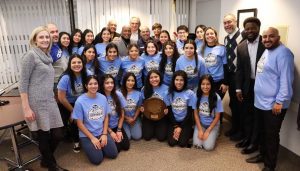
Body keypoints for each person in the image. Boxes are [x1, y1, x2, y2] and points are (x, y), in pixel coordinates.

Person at [19, 26, 67, 171]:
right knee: (43, 135)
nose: (45, 40)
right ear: (35, 40)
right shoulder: (30, 56)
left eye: (47, 37)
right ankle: (52, 165)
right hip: (36, 102)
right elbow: (23, 83)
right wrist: (26, 108)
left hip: (49, 100)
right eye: (41, 37)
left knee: (58, 133)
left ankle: (46, 159)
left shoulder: (47, 56)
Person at [247, 27, 294, 171]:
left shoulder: (284, 54)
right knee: (261, 131)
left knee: (271, 135)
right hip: (260, 102)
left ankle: (270, 165)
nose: (267, 39)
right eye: (264, 36)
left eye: (271, 36)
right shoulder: (267, 51)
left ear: (278, 37)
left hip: (273, 104)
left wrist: (279, 101)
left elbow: (287, 80)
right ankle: (262, 154)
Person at [72, 75, 118, 165]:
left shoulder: (102, 98)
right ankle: (89, 146)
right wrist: (92, 138)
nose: (93, 86)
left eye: (95, 83)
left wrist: (104, 134)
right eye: (90, 84)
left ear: (98, 85)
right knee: (97, 160)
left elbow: (106, 117)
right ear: (86, 86)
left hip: (101, 131)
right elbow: (79, 123)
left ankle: (100, 145)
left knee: (113, 154)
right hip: (87, 134)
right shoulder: (80, 101)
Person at [235, 17, 265, 154]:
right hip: (247, 86)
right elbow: (239, 69)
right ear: (244, 30)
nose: (250, 31)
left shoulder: (266, 44)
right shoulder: (241, 46)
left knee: (257, 115)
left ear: (258, 28)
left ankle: (254, 143)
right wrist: (238, 88)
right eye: (247, 29)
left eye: (253, 28)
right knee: (246, 114)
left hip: (262, 86)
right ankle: (247, 138)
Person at [57, 54, 87, 153]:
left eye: (79, 62)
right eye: (74, 62)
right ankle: (76, 141)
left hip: (82, 102)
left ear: (83, 64)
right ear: (70, 64)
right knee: (74, 120)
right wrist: (73, 111)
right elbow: (61, 98)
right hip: (67, 104)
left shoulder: (87, 74)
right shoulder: (65, 78)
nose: (77, 64)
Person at [222, 13, 243, 140]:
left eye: (229, 22)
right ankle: (235, 128)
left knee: (240, 105)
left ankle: (241, 131)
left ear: (236, 21)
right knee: (233, 104)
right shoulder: (226, 38)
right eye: (225, 23)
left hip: (240, 75)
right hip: (230, 75)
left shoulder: (243, 35)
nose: (227, 25)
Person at [99, 74, 130, 152]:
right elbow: (100, 119)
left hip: (116, 125)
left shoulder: (118, 94)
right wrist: (111, 132)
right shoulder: (99, 97)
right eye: (107, 83)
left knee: (126, 146)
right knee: (117, 149)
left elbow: (122, 114)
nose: (110, 85)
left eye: (112, 82)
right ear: (102, 84)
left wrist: (119, 130)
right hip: (105, 128)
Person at [165, 70, 196, 147]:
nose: (179, 82)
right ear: (173, 80)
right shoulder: (168, 93)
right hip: (173, 121)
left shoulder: (190, 93)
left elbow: (189, 113)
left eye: (181, 80)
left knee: (182, 144)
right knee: (172, 143)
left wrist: (181, 127)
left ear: (185, 81)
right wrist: (176, 126)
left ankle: (190, 131)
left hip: (185, 121)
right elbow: (169, 112)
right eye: (177, 80)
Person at [193, 74, 223, 151]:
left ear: (211, 85)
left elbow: (217, 117)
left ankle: (215, 133)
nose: (205, 87)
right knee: (197, 145)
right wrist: (200, 129)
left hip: (212, 125)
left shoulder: (217, 97)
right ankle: (202, 133)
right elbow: (196, 114)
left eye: (208, 84)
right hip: (201, 124)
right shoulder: (196, 96)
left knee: (208, 147)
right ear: (200, 85)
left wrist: (208, 131)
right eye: (203, 84)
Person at [200, 27, 228, 99]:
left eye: (212, 33)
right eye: (207, 34)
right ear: (204, 36)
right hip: (206, 82)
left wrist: (225, 83)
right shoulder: (201, 49)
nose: (209, 35)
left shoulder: (222, 48)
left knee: (216, 104)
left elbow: (226, 66)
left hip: (219, 82)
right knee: (207, 104)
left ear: (215, 35)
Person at [140, 70, 169, 141]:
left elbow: (168, 105)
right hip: (148, 116)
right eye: (151, 78)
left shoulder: (166, 88)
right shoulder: (144, 89)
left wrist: (167, 110)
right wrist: (142, 108)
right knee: (147, 137)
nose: (154, 79)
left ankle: (158, 128)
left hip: (161, 116)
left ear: (160, 77)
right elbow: (142, 104)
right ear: (148, 79)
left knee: (161, 138)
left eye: (156, 77)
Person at [120, 72, 142, 140]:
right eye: (128, 80)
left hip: (134, 118)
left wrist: (134, 118)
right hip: (123, 119)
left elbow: (138, 107)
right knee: (128, 137)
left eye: (132, 81)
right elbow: (118, 110)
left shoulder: (139, 93)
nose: (130, 82)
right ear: (124, 81)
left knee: (137, 137)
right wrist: (126, 119)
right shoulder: (119, 93)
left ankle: (138, 123)